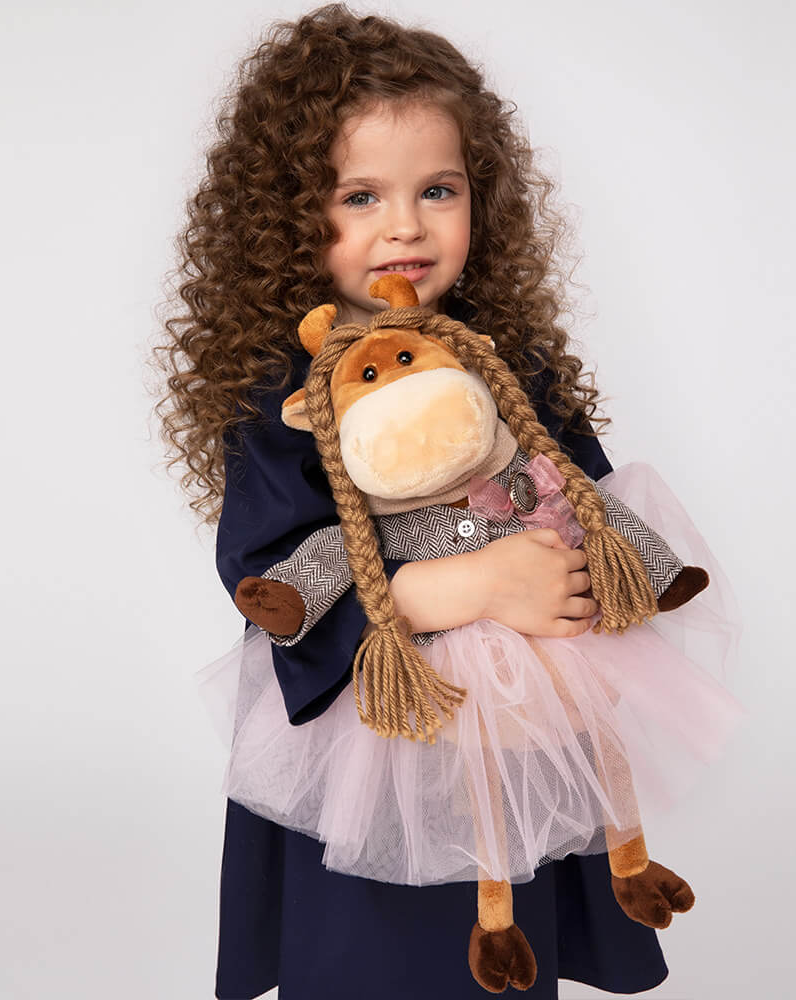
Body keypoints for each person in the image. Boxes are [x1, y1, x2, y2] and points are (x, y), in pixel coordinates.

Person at [154, 6, 737, 997]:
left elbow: (579, 498)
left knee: (508, 936)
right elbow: (269, 577)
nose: (405, 226)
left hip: (517, 731)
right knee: (371, 949)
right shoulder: (286, 397)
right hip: (373, 739)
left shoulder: (504, 362)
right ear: (290, 219)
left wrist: (583, 574)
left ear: (480, 199)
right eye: (360, 196)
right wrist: (469, 585)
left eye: (438, 189)